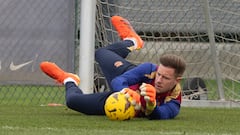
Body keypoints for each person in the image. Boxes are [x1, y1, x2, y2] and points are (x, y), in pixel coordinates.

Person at [40, 15, 186, 120]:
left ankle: (69, 80)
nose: (159, 79)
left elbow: (163, 115)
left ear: (177, 80)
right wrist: (126, 91)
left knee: (72, 101)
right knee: (101, 53)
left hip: (115, 100)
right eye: (159, 74)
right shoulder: (149, 69)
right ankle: (132, 41)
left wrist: (150, 104)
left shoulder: (174, 100)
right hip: (125, 79)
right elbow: (118, 80)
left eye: (165, 77)